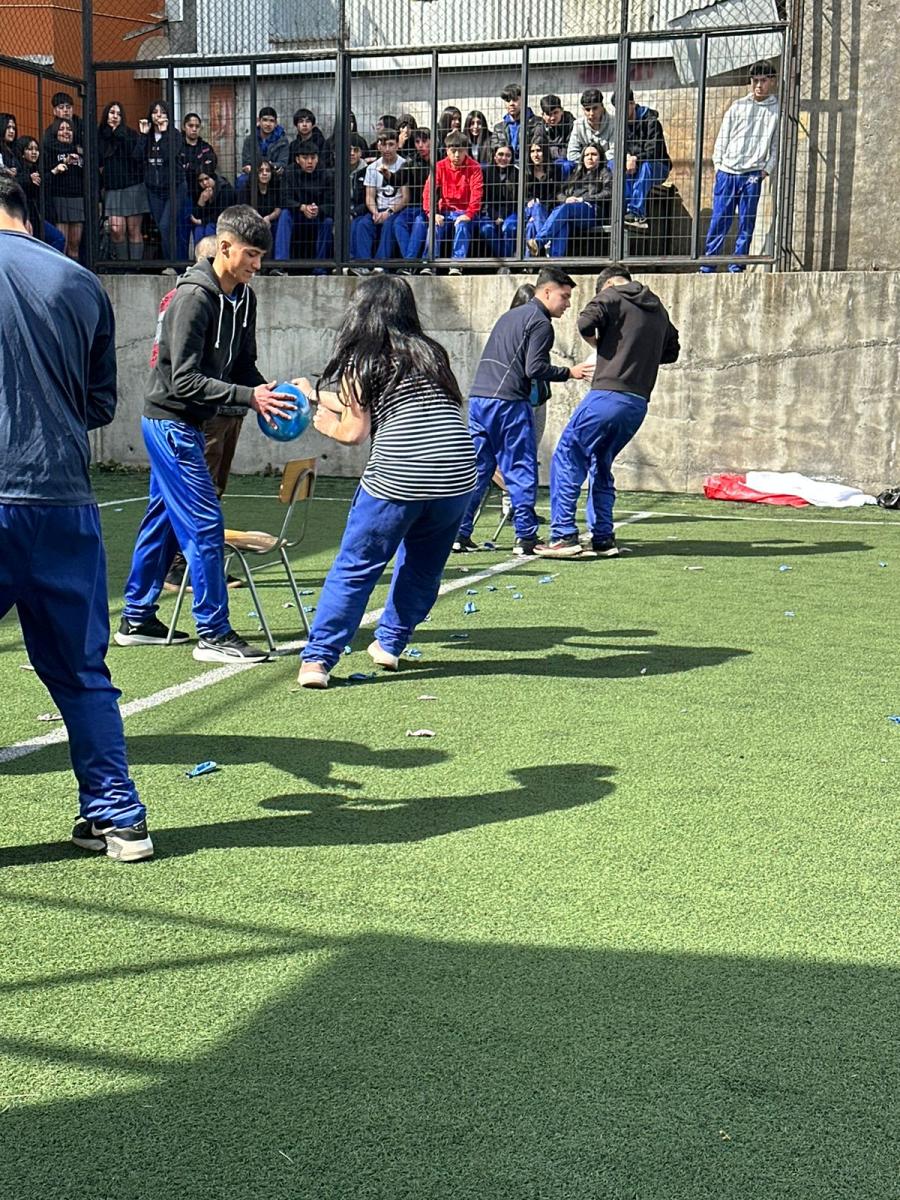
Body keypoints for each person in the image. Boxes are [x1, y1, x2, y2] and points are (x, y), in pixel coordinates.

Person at [0, 176, 152, 861]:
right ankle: (119, 816)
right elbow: (98, 404)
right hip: (64, 499)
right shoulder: (82, 282)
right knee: (83, 671)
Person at [116, 205, 296, 661]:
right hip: (170, 421)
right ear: (225, 247)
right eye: (251, 255)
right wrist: (249, 397)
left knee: (162, 520)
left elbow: (244, 366)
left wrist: (270, 394)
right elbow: (184, 380)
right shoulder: (193, 298)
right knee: (205, 523)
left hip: (191, 422)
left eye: (261, 256)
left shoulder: (245, 298)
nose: (257, 265)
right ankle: (214, 632)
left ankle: (136, 618)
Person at [295, 274, 476, 689]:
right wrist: (314, 392)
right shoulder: (430, 353)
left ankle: (318, 659)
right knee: (423, 568)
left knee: (356, 566)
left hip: (399, 476)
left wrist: (324, 424)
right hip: (457, 476)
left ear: (361, 312)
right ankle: (391, 644)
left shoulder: (362, 357)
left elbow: (354, 430)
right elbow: (372, 400)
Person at [536, 264, 679, 558]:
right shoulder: (659, 310)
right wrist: (638, 356)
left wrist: (602, 347)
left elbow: (585, 322)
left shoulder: (612, 294)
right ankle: (603, 537)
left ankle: (563, 535)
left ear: (608, 284)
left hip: (608, 394)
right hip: (637, 403)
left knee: (567, 454)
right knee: (600, 462)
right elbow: (671, 351)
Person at [453, 266, 592, 555]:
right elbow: (534, 368)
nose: (568, 304)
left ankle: (459, 533)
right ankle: (526, 537)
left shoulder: (509, 316)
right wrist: (570, 372)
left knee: (478, 469)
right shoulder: (541, 323)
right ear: (547, 292)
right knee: (520, 467)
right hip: (508, 402)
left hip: (479, 399)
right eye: (565, 297)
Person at [701, 61, 780, 273]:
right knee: (719, 220)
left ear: (772, 81)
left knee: (747, 223)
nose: (759, 85)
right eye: (755, 80)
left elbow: (776, 145)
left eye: (764, 80)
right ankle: (708, 266)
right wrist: (719, 166)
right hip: (727, 171)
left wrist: (766, 170)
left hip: (752, 174)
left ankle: (737, 266)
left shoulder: (776, 111)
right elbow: (723, 137)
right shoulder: (738, 106)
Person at [410, 130, 482, 271]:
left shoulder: (474, 167)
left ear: (466, 151)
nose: (457, 155)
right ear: (447, 151)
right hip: (445, 211)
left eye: (461, 151)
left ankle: (456, 264)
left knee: (462, 225)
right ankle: (429, 263)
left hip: (465, 211)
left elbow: (477, 193)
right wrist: (431, 213)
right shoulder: (439, 166)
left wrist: (469, 214)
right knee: (435, 226)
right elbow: (428, 191)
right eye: (453, 151)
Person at [529, 143, 612, 258]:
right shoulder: (576, 174)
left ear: (600, 157)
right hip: (570, 211)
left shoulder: (605, 172)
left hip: (591, 209)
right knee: (563, 224)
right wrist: (566, 199)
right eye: (586, 155)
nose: (590, 157)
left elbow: (608, 192)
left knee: (566, 209)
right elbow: (559, 193)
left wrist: (582, 199)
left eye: (594, 154)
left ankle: (539, 241)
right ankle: (554, 263)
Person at [608, 88, 671, 231]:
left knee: (646, 166)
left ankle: (637, 213)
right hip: (633, 165)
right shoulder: (620, 125)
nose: (621, 112)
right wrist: (626, 158)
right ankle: (621, 210)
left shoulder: (651, 122)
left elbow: (654, 151)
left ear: (632, 104)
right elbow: (618, 148)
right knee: (613, 164)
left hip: (658, 166)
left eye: (624, 107)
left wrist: (636, 158)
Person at [134, 100, 189, 258]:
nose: (158, 115)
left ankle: (175, 264)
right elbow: (137, 157)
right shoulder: (148, 136)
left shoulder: (175, 135)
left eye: (162, 112)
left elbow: (168, 156)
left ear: (168, 116)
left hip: (175, 187)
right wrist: (143, 135)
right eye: (155, 112)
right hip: (154, 189)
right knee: (163, 228)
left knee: (166, 226)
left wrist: (164, 134)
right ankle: (171, 262)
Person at [98, 101, 149, 262]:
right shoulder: (100, 136)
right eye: (112, 112)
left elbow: (137, 156)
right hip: (112, 188)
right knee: (116, 229)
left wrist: (120, 135)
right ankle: (123, 265)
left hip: (133, 186)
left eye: (119, 114)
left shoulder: (130, 134)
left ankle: (135, 267)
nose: (115, 116)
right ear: (106, 114)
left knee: (134, 230)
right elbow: (99, 158)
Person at [348, 130, 408, 266]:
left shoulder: (404, 165)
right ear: (378, 146)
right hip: (377, 209)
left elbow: (405, 198)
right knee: (363, 224)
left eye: (391, 144)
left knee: (389, 224)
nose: (387, 149)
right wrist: (375, 212)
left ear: (397, 145)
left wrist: (389, 212)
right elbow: (369, 197)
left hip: (396, 210)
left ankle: (381, 265)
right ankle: (363, 264)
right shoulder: (372, 168)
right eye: (383, 145)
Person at [282, 139, 334, 264]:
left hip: (318, 215)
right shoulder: (289, 172)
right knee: (285, 215)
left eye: (313, 158)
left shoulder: (326, 174)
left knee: (328, 222)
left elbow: (332, 203)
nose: (310, 162)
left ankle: (320, 266)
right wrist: (302, 207)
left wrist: (318, 209)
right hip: (297, 213)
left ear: (318, 158)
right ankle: (280, 263)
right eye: (305, 158)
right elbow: (284, 198)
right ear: (297, 159)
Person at [13, 134, 65, 251]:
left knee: (58, 238)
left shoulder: (36, 168)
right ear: (22, 152)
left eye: (36, 149)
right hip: (23, 216)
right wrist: (28, 179)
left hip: (35, 216)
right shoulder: (18, 169)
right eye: (29, 149)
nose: (34, 152)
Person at [46, 117, 85, 260]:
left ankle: (74, 271)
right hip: (59, 197)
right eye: (61, 129)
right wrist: (64, 162)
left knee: (75, 243)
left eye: (69, 129)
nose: (66, 132)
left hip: (77, 197)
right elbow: (46, 173)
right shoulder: (49, 150)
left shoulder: (80, 150)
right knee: (62, 242)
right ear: (55, 132)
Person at [393, 127, 431, 262]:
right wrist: (388, 176)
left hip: (431, 207)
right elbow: (398, 179)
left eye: (424, 141)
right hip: (413, 206)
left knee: (419, 222)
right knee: (398, 222)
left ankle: (409, 263)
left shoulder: (440, 160)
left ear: (432, 141)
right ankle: (412, 261)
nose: (420, 145)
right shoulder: (412, 160)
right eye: (417, 142)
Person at [478, 142, 518, 261]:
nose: (504, 158)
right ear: (494, 156)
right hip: (489, 212)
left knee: (509, 227)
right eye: (500, 154)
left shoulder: (517, 174)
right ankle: (506, 261)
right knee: (486, 229)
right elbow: (484, 199)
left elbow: (516, 201)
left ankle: (507, 263)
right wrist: (495, 216)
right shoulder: (486, 173)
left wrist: (502, 216)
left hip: (511, 212)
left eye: (508, 155)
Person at [523, 135, 561, 255]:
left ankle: (528, 262)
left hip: (548, 210)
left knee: (531, 226)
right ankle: (546, 243)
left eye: (539, 150)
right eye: (532, 151)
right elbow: (523, 198)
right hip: (529, 210)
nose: (536, 155)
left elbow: (557, 194)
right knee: (536, 206)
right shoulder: (525, 172)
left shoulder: (555, 170)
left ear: (545, 152)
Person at [528, 94, 575, 176]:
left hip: (566, 160)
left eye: (555, 113)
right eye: (549, 114)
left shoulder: (571, 125)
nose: (552, 118)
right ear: (543, 115)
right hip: (547, 161)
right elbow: (539, 148)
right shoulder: (540, 127)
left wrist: (549, 151)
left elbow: (570, 149)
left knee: (566, 166)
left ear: (561, 111)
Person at [239, 106, 289, 182]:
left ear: (276, 123)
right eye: (265, 120)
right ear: (259, 121)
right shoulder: (250, 140)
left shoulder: (282, 141)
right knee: (241, 180)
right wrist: (251, 168)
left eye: (271, 121)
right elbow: (246, 162)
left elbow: (283, 163)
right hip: (255, 173)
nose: (268, 124)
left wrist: (271, 166)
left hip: (274, 174)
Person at [566, 87, 615, 166]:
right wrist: (588, 160)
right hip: (585, 166)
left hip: (606, 164)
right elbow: (571, 154)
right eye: (588, 109)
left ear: (602, 107)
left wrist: (596, 159)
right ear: (583, 110)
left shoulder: (614, 123)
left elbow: (615, 152)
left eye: (595, 108)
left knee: (613, 164)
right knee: (567, 165)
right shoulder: (578, 125)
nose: (591, 113)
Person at [190, 170, 237, 242]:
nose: (204, 183)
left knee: (209, 229)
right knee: (198, 230)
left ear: (213, 178)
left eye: (207, 178)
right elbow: (196, 215)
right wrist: (201, 201)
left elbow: (222, 213)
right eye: (200, 181)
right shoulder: (200, 190)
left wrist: (202, 221)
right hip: (207, 221)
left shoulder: (225, 189)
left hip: (223, 221)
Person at [179, 113, 217, 194]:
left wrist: (193, 169)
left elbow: (211, 165)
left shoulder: (206, 147)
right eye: (190, 126)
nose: (194, 129)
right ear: (184, 127)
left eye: (197, 126)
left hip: (202, 185)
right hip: (184, 187)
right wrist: (199, 168)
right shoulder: (178, 147)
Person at [491, 84, 534, 155]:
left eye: (515, 99)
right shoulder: (498, 128)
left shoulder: (536, 124)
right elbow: (495, 153)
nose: (511, 103)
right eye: (508, 100)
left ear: (523, 100)